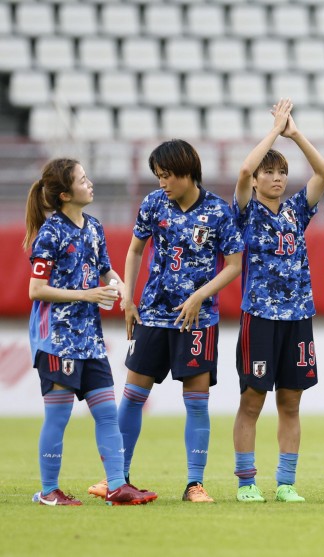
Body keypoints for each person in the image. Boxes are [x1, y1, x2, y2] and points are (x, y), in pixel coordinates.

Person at [89, 139, 244, 503]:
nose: (162, 182)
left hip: (198, 319)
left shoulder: (219, 212)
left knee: (196, 403)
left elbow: (235, 265)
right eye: (158, 176)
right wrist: (127, 296)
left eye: (167, 175)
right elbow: (134, 250)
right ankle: (118, 478)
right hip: (153, 315)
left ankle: (194, 484)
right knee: (132, 397)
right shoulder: (153, 204)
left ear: (188, 172)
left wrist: (199, 296)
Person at [25, 159, 156, 506]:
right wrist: (88, 294)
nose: (90, 183)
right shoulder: (50, 234)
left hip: (90, 341)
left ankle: (116, 485)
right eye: (83, 180)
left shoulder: (94, 227)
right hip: (58, 340)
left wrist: (121, 288)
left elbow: (104, 270)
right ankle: (49, 491)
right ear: (66, 194)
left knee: (106, 414)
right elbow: (36, 290)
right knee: (59, 415)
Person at [232, 100, 324, 503]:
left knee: (291, 402)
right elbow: (241, 171)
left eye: (281, 172)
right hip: (259, 317)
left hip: (299, 317)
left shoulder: (296, 211)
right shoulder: (244, 212)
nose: (276, 178)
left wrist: (296, 135)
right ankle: (246, 482)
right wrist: (274, 131)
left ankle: (286, 482)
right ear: (256, 180)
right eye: (268, 172)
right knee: (253, 400)